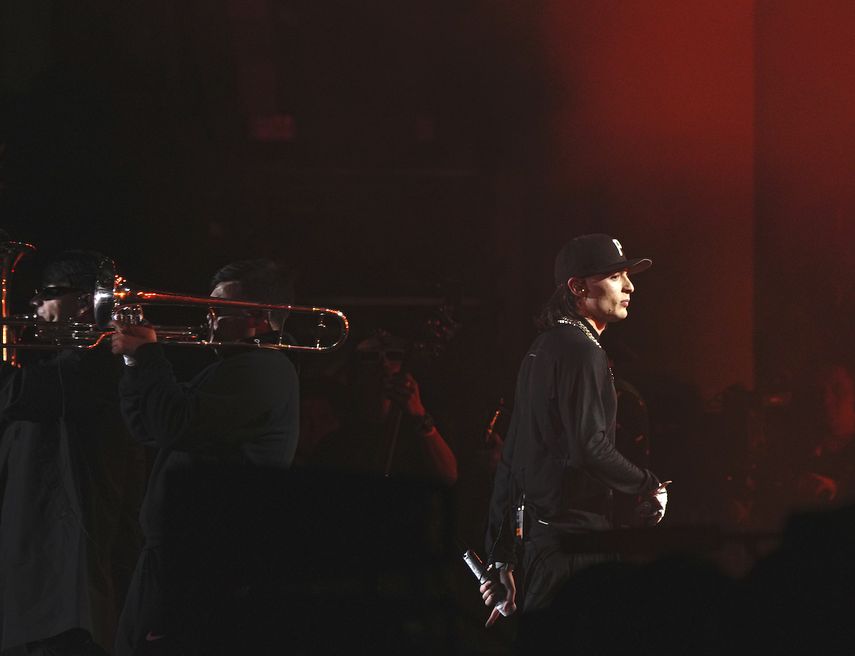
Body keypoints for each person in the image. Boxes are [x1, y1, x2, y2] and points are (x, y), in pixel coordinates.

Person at [109, 258, 300, 655]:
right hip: (176, 556)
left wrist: (149, 355)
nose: (209, 318)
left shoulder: (264, 369)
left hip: (203, 564)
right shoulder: (231, 369)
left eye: (220, 309)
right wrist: (133, 361)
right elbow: (147, 429)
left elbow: (172, 422)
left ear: (260, 317)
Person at [480, 234, 668, 627]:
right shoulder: (583, 351)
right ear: (578, 286)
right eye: (616, 277)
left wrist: (502, 555)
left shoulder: (543, 348)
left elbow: (513, 456)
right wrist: (647, 485)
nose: (630, 287)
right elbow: (588, 446)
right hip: (577, 550)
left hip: (543, 548)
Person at [0, 251, 145, 656]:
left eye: (47, 293)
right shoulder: (66, 366)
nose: (33, 304)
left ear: (85, 302)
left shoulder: (99, 362)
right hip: (33, 589)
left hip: (65, 594)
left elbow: (19, 394)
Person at [301, 331, 458, 487]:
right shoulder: (337, 443)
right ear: (357, 374)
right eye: (370, 357)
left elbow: (449, 477)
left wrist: (420, 416)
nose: (384, 364)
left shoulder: (422, 431)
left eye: (394, 355)